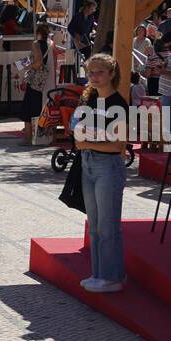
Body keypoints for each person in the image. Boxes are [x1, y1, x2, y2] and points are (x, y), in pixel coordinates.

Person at [73, 53, 128, 293]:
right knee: (94, 225)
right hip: (88, 164)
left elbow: (118, 146)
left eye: (99, 72)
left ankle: (112, 276)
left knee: (108, 226)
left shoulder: (119, 104)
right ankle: (99, 273)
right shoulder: (91, 100)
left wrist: (87, 144)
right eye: (91, 72)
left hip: (108, 166)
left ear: (111, 74)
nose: (94, 77)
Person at [20, 23, 55, 145]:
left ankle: (28, 138)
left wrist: (26, 67)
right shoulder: (51, 44)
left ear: (37, 32)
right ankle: (44, 138)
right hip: (47, 81)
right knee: (42, 108)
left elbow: (38, 62)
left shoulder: (36, 44)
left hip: (36, 81)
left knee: (28, 109)